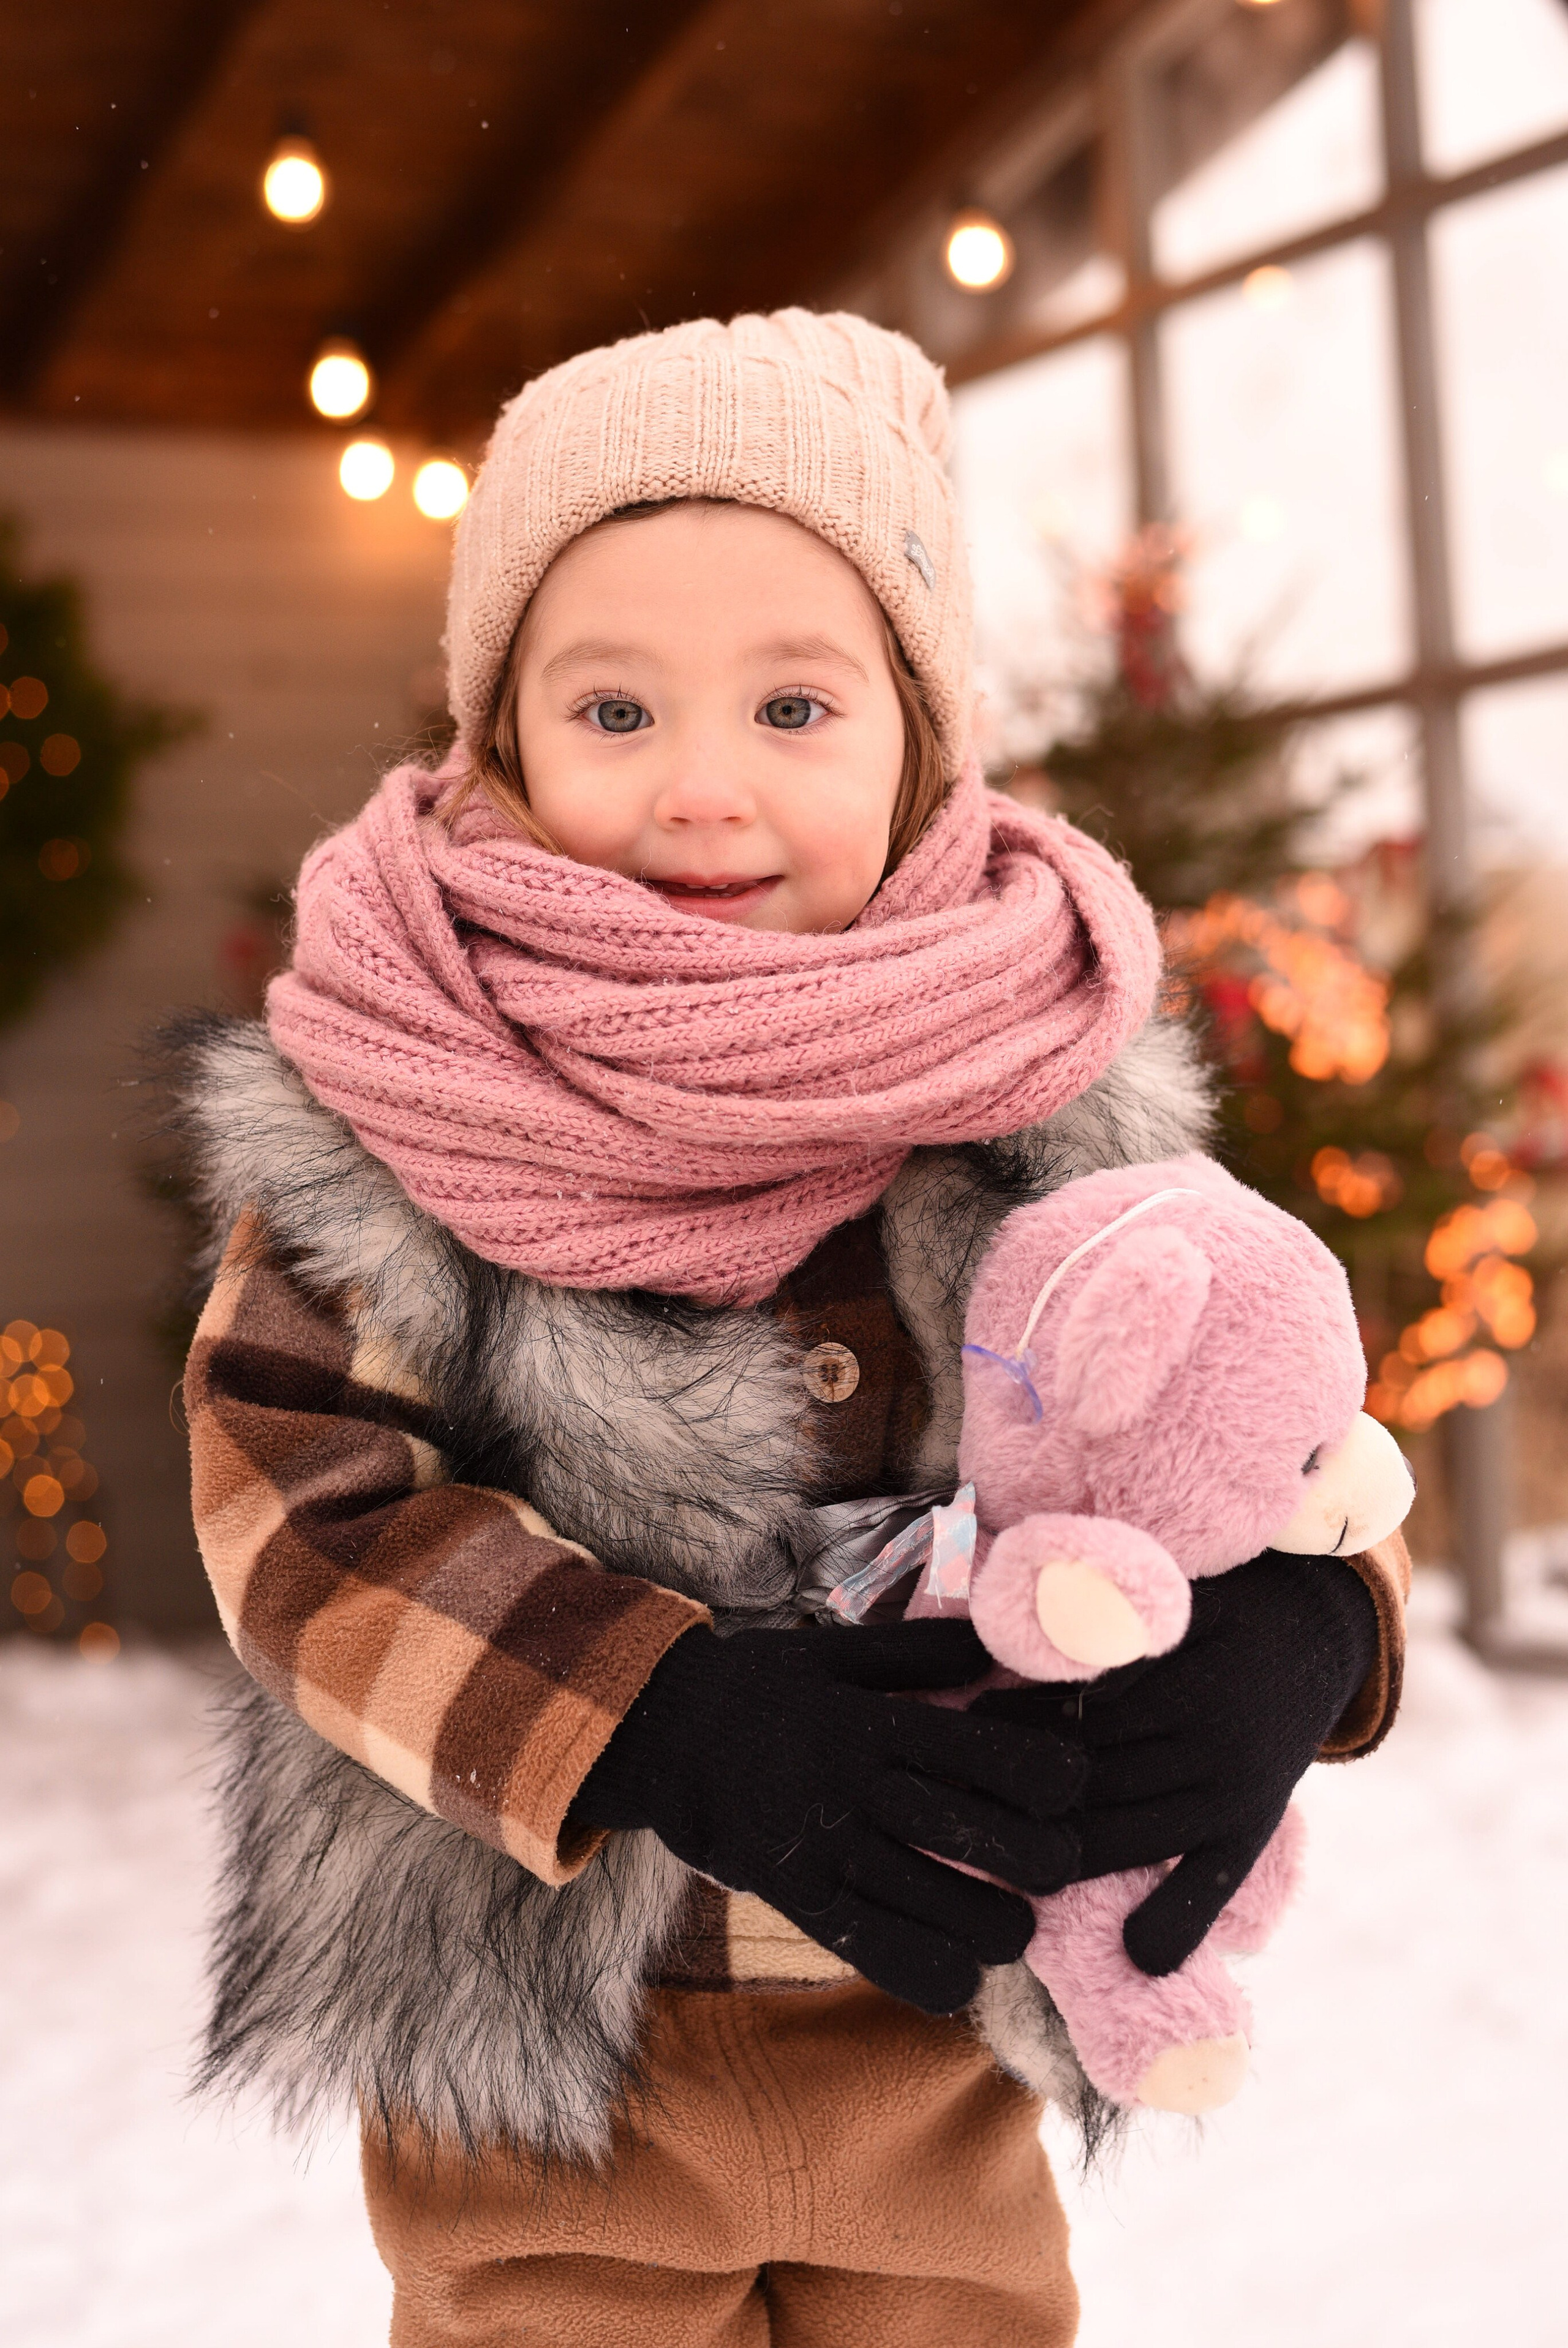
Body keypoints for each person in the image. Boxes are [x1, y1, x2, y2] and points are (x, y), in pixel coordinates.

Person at [176, 310, 1407, 2348]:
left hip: (934, 2047)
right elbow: (292, 1510)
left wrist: (1315, 1622)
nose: (705, 790)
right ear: (497, 743)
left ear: (923, 740)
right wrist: (653, 1714)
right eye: (616, 711)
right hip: (547, 2075)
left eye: (797, 705)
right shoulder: (402, 1093)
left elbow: (1252, 1391)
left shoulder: (1037, 1080)